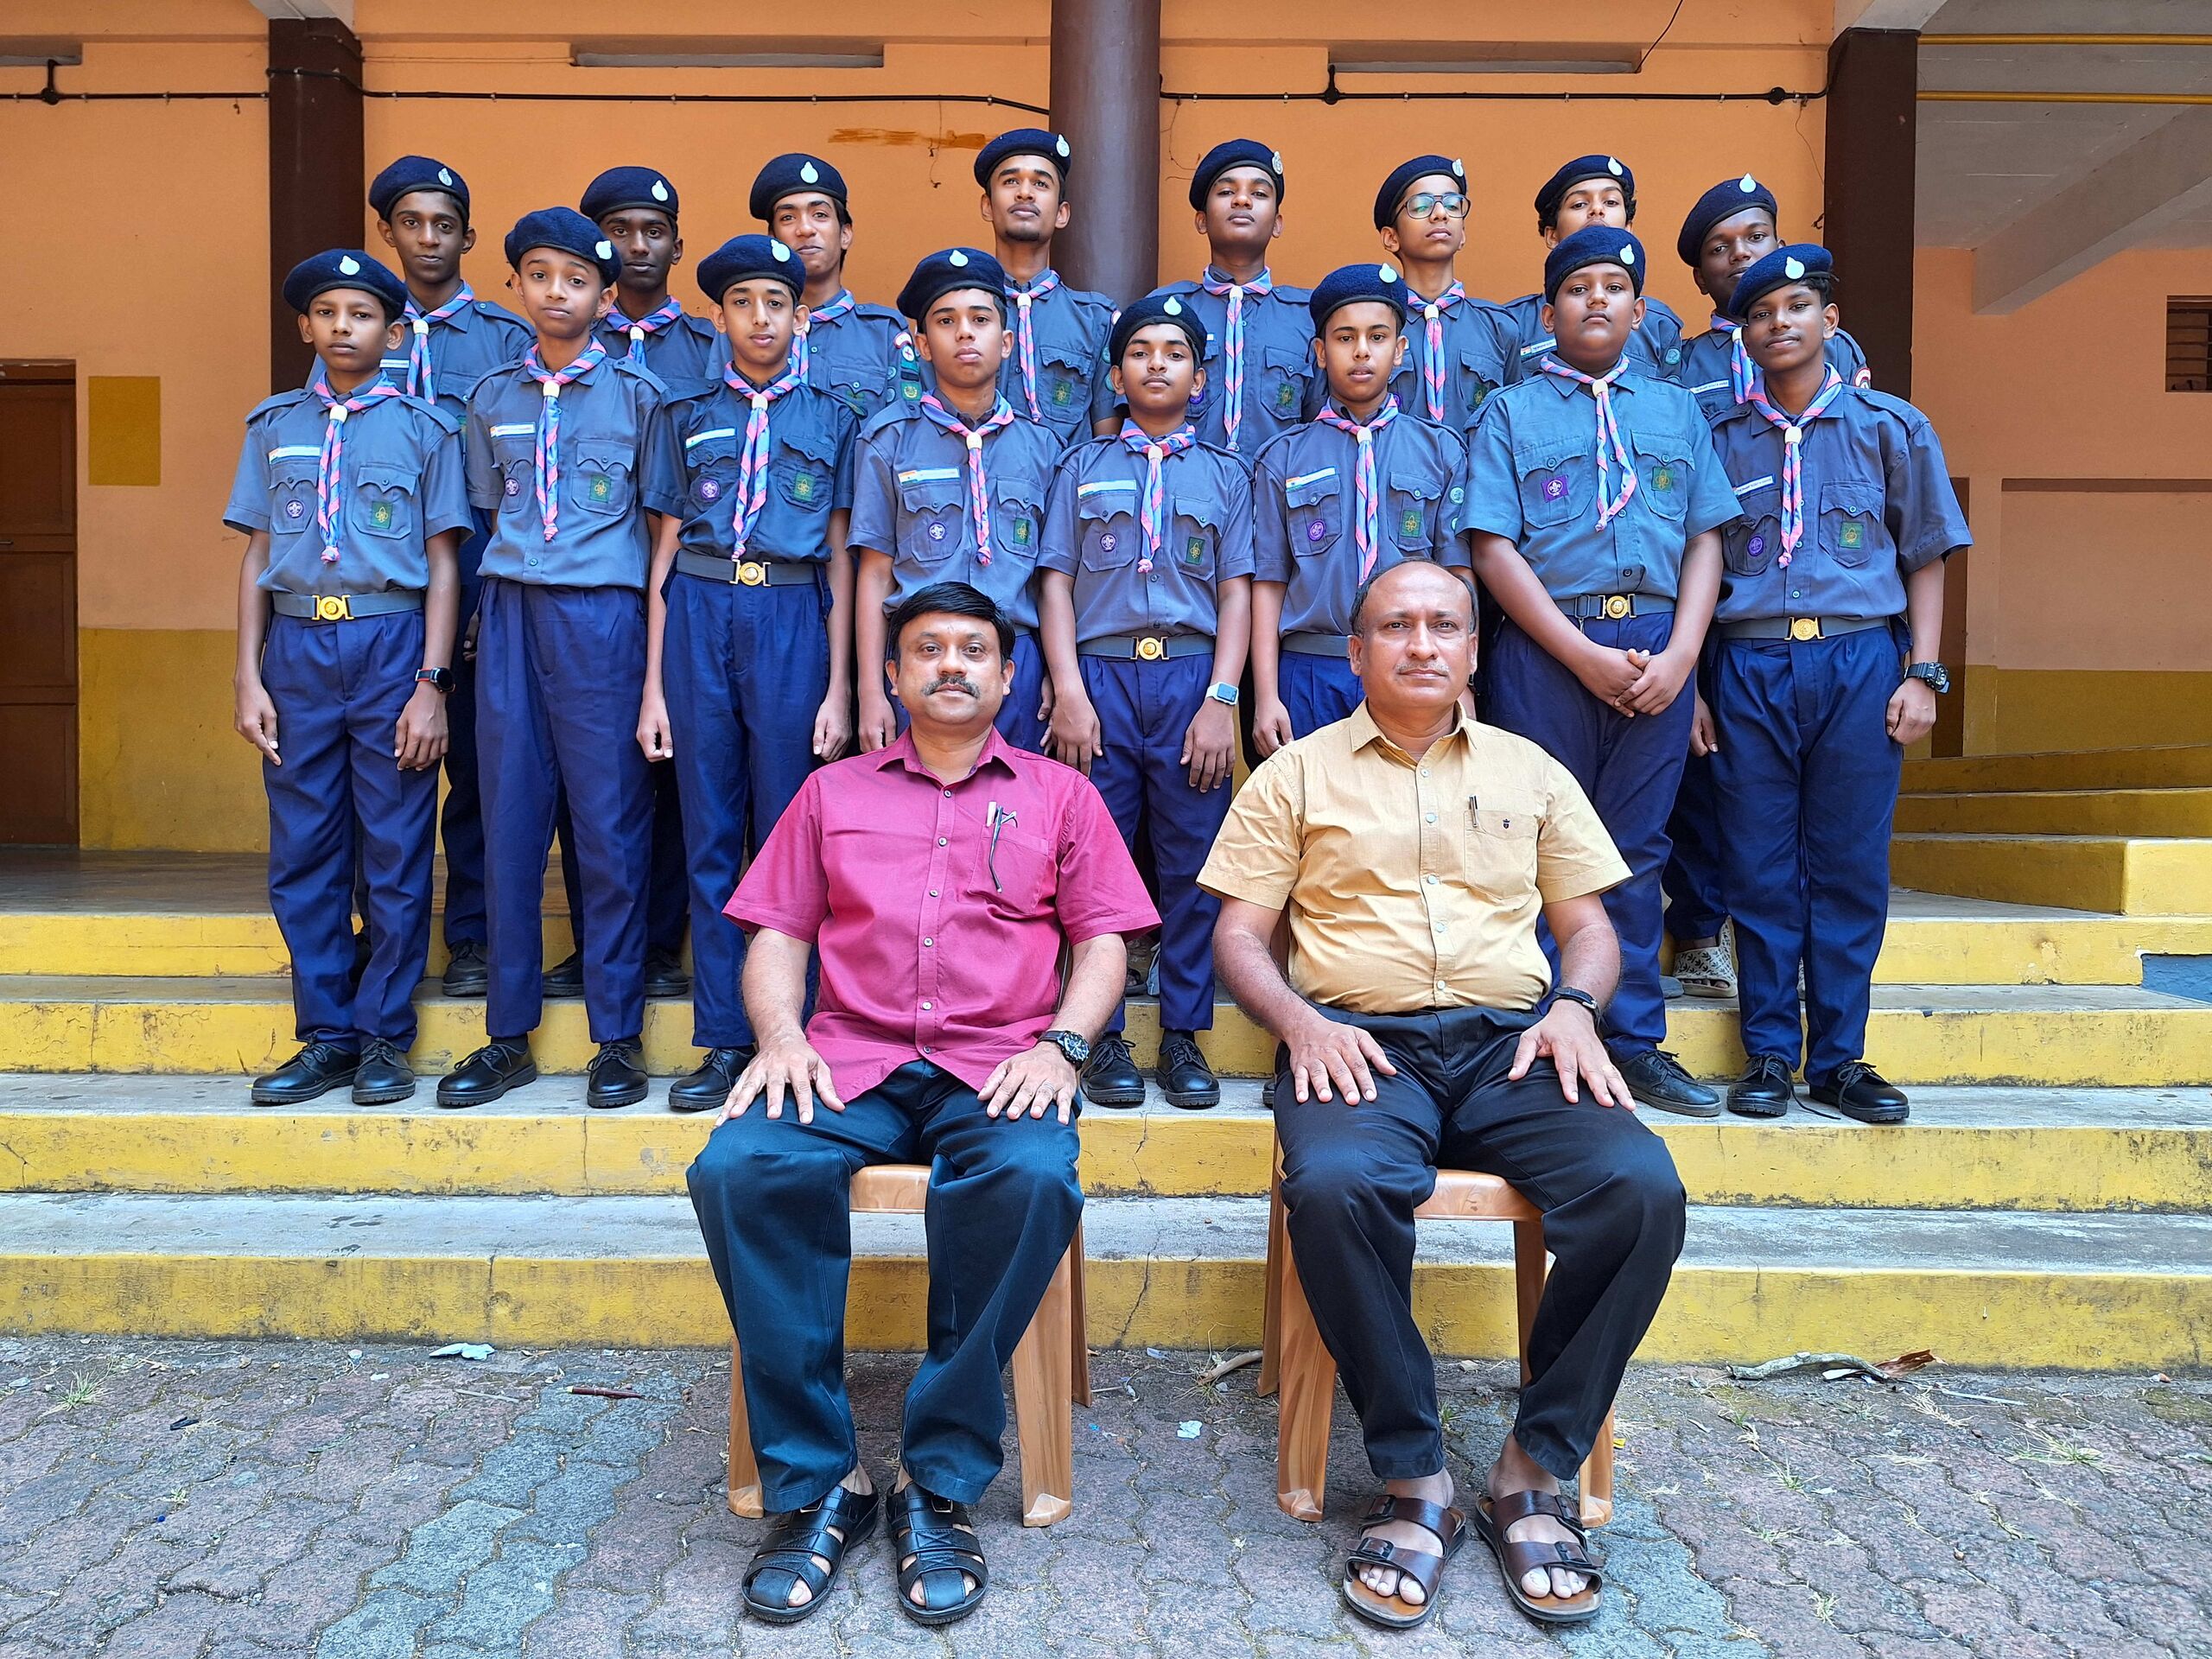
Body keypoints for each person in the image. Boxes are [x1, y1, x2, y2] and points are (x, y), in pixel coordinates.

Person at [1203, 559, 1684, 1631]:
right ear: (1356, 651)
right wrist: (1300, 1024)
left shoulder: (1531, 770)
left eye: (1442, 626)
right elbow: (1237, 936)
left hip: (1515, 1044)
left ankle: (1533, 1465)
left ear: (1473, 649)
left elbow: (1590, 929)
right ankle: (1414, 1473)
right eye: (1395, 626)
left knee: (1640, 1190)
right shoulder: (1292, 775)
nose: (1420, 643)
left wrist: (1575, 1010)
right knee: (1335, 1186)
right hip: (1357, 1046)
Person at [688, 581, 1157, 1627]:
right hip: (846, 1058)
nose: (952, 664)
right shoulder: (832, 793)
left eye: (973, 650)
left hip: (998, 1064)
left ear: (1007, 676)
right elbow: (777, 934)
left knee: (1029, 1177)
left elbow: (1103, 942)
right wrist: (779, 1039)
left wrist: (1063, 1049)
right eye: (929, 649)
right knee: (740, 1167)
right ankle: (819, 1482)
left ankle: (937, 1479)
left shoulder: (1061, 796)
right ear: (893, 676)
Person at [1457, 227, 1740, 1118]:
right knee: (1537, 845)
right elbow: (1492, 547)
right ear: (1548, 314)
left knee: (1635, 850)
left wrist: (1684, 655)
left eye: (1614, 286)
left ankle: (1631, 1040)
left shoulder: (1677, 412)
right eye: (1578, 288)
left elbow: (1705, 538)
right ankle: (1539, 1038)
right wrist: (1578, 655)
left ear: (1640, 309)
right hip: (1549, 647)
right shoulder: (1509, 412)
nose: (1596, 300)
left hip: (1657, 645)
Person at [1704, 245, 1969, 1123]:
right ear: (1743, 335)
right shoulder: (1719, 440)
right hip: (1749, 663)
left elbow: (1926, 552)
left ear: (1830, 320)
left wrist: (1922, 672)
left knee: (1849, 865)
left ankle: (1840, 1060)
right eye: (1758, 314)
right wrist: (1697, 688)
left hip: (1859, 660)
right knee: (1758, 864)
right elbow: (1698, 568)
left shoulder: (1892, 427)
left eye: (1794, 307)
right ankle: (1770, 1054)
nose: (1777, 324)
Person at [439, 207, 674, 1111]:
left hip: (602, 622)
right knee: (510, 823)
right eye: (539, 275)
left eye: (576, 280)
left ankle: (617, 1036)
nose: (556, 292)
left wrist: (651, 666)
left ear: (606, 298)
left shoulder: (642, 399)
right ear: (516, 288)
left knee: (609, 826)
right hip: (510, 616)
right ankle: (508, 1034)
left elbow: (660, 536)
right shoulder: (489, 398)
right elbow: (483, 515)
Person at [226, 250, 467, 1106]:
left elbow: (444, 565)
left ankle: (384, 1037)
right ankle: (327, 1034)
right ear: (305, 326)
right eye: (326, 312)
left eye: (361, 314)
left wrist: (432, 683)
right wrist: (247, 676)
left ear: (392, 333)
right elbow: (257, 555)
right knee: (304, 850)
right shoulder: (273, 427)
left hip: (389, 642)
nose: (342, 327)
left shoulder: (426, 429)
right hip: (296, 648)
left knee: (395, 847)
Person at [639, 234, 861, 1113]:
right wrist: (654, 688)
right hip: (700, 612)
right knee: (708, 834)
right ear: (718, 316)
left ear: (801, 316)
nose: (759, 318)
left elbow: (841, 561)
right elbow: (662, 556)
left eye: (775, 303)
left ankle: (792, 1033)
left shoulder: (835, 420)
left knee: (790, 836)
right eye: (742, 303)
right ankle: (725, 1038)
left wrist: (840, 687)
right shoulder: (685, 415)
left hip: (792, 618)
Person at [1661, 176, 1877, 1002]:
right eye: (1720, 249)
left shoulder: (1846, 364)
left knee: (1832, 824)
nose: (1739, 256)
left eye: (1754, 237)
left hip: (1834, 623)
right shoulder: (1683, 366)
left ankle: (1823, 992)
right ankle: (1709, 936)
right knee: (1720, 796)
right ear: (1701, 276)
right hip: (1731, 618)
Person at [1038, 293, 1254, 1110]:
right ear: (1116, 374)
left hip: (1191, 681)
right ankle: (1101, 1034)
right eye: (1139, 351)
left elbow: (1236, 593)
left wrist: (1222, 698)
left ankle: (1183, 1033)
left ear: (1199, 379)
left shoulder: (1227, 474)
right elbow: (1055, 584)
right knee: (1095, 862)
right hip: (1101, 680)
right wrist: (1068, 689)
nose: (1156, 364)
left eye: (1174, 353)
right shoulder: (1079, 468)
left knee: (1193, 862)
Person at [362, 156, 531, 998]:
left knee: (475, 761)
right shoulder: (360, 325)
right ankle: (378, 938)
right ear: (386, 232)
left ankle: (470, 935)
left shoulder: (505, 338)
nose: (428, 238)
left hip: (477, 554)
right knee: (381, 761)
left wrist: (492, 589)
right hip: (385, 569)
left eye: (444, 224)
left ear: (467, 236)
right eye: (411, 223)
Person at [849, 248, 1063, 753]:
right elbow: (874, 573)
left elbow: (1053, 581)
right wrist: (870, 690)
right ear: (923, 344)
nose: (965, 333)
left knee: (1012, 793)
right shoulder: (888, 441)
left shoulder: (1044, 448)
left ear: (1006, 342)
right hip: (920, 656)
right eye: (946, 321)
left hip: (1014, 658)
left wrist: (1058, 675)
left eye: (980, 319)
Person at [1251, 263, 1470, 753]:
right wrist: (1266, 695)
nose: (1362, 351)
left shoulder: (1441, 452)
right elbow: (1268, 582)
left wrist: (1462, 680)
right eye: (1345, 338)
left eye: (1377, 336)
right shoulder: (1282, 458)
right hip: (1313, 666)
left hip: (1414, 663)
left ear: (1401, 350)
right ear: (1320, 352)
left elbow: (1457, 574)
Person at [1153, 140, 1319, 460]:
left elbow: (1322, 426)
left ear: (1277, 224)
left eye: (1259, 193)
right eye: (1227, 191)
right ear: (1201, 220)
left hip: (1277, 486)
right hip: (1186, 487)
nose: (1242, 200)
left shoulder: (1307, 317)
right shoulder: (1164, 312)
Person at [965, 129, 1116, 449]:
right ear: (987, 206)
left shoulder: (1097, 321)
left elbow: (1106, 446)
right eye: (1010, 181)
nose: (1025, 193)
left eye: (1040, 184)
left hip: (1065, 481)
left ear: (1062, 213)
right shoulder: (955, 315)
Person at [750, 151, 919, 423]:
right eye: (788, 218)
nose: (805, 229)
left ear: (845, 234)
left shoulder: (884, 333)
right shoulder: (748, 329)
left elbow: (906, 432)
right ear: (773, 239)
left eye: (819, 214)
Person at [1499, 156, 1683, 384]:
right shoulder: (1512, 323)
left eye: (1610, 202)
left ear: (1628, 228)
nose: (1597, 210)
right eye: (1579, 204)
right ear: (1552, 235)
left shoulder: (1658, 324)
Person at [1373, 156, 1519, 434]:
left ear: (1462, 234)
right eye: (1421, 205)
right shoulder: (1374, 326)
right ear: (1392, 238)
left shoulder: (1499, 328)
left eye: (1453, 205)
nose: (1440, 214)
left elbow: (1513, 424)